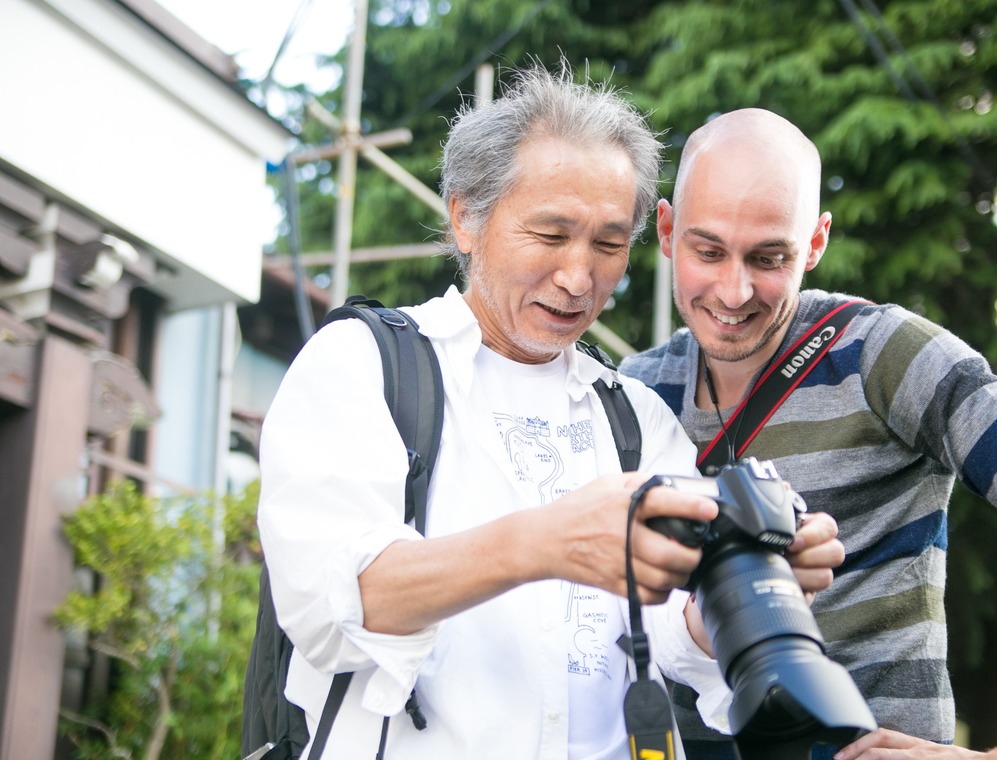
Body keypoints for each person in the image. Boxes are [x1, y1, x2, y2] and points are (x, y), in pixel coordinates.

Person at [256, 67, 841, 759]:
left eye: (608, 243)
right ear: (466, 217)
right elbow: (325, 607)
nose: (578, 276)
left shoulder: (635, 419)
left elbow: (678, 646)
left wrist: (752, 590)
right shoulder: (363, 366)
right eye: (551, 233)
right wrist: (539, 544)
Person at [620, 108, 997, 760]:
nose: (734, 289)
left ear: (815, 242)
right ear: (666, 231)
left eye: (769, 256)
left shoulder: (881, 355)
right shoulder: (633, 394)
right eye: (708, 250)